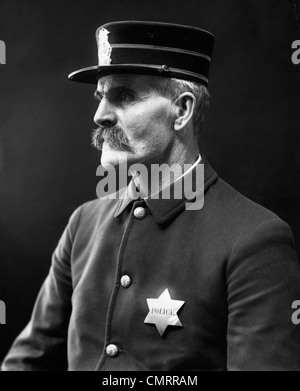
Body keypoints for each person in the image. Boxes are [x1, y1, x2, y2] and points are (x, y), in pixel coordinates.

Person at [2, 20, 300, 371]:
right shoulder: (83, 224)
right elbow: (26, 361)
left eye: (124, 95)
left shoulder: (255, 239)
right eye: (101, 97)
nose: (100, 115)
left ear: (182, 111)